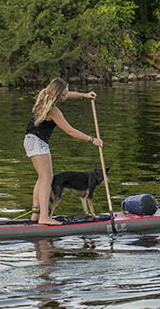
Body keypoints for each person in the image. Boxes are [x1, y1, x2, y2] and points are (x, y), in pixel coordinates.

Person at [25, 77, 103, 225]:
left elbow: (68, 94)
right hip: (38, 143)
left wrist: (84, 95)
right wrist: (92, 139)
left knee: (42, 178)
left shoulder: (43, 95)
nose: (66, 97)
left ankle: (36, 213)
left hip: (29, 140)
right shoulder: (53, 111)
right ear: (56, 94)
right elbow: (70, 131)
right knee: (47, 179)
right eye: (63, 94)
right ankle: (44, 217)